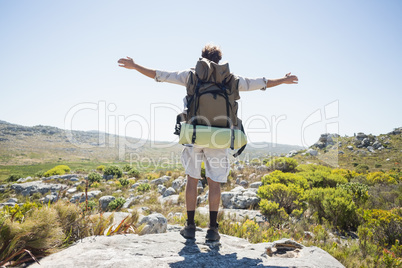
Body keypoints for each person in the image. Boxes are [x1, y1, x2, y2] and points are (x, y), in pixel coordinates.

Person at [118, 44, 298, 241]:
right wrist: (284, 80)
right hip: (220, 137)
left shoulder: (191, 75)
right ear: (220, 60)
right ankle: (213, 229)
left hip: (194, 134)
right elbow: (261, 83)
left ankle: (190, 226)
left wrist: (135, 66)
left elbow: (159, 75)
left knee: (192, 179)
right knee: (215, 183)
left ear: (201, 58)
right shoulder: (231, 79)